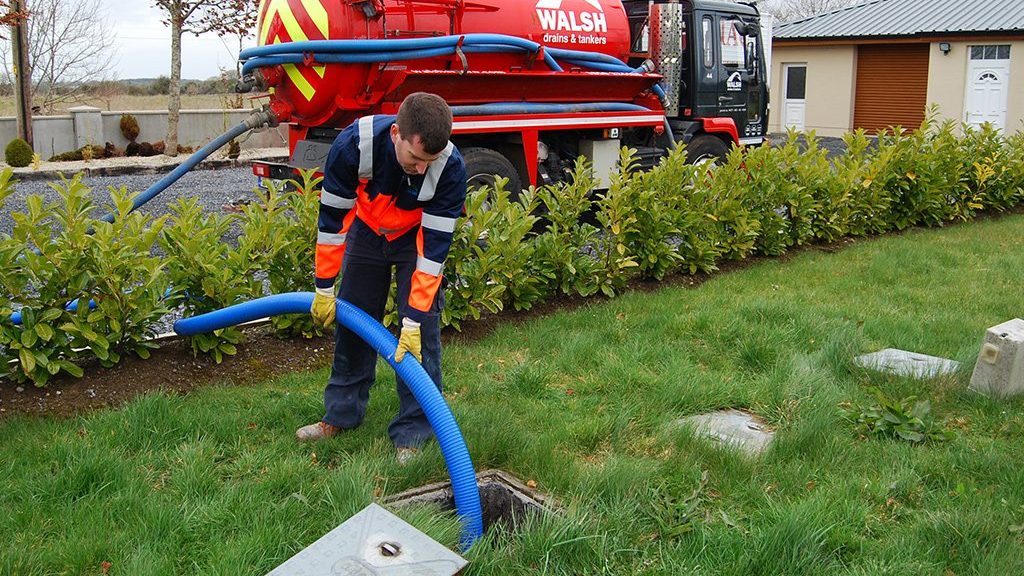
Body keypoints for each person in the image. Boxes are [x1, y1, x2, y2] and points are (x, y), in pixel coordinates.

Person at [296, 92, 467, 464]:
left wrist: (412, 317)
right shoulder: (352, 146)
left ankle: (413, 433)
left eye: (430, 161)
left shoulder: (451, 169)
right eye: (415, 159)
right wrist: (324, 288)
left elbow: (432, 254)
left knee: (418, 336)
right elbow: (331, 226)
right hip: (368, 230)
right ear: (395, 134)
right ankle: (340, 416)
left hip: (414, 239)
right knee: (354, 321)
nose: (421, 169)